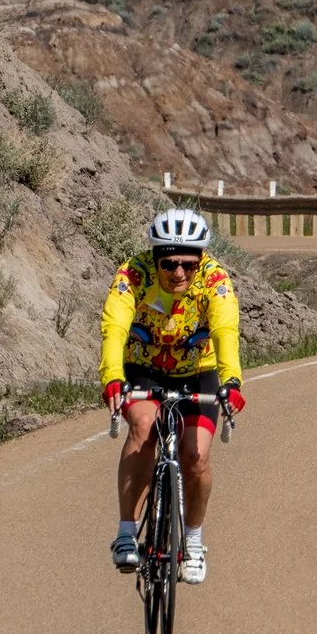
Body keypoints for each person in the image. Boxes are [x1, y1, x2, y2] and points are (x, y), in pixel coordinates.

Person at [100, 207, 244, 584]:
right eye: (169, 263)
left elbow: (226, 330)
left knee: (196, 455)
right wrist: (112, 377)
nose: (179, 273)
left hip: (199, 372)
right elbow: (114, 327)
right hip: (144, 368)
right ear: (155, 258)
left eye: (188, 264)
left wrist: (232, 381)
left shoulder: (215, 280)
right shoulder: (133, 275)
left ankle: (193, 542)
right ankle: (127, 531)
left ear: (200, 261)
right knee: (144, 426)